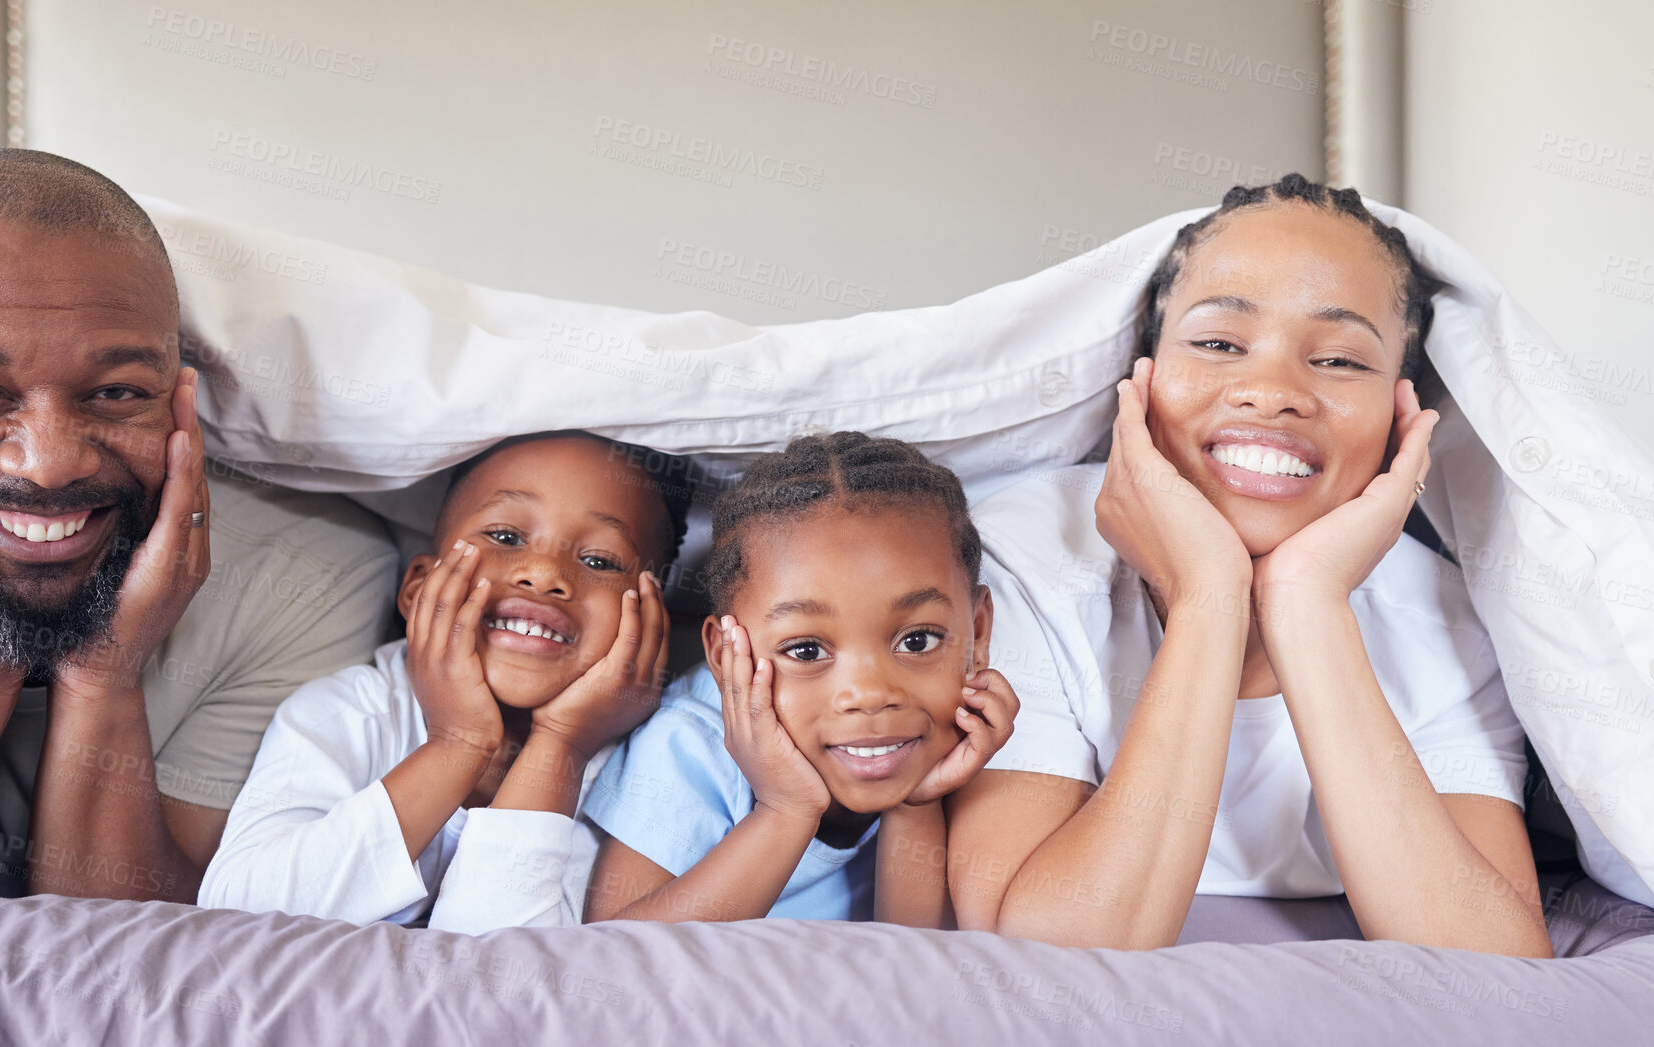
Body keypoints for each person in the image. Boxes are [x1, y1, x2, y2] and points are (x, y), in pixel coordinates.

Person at [0, 149, 394, 915]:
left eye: (117, 392)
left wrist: (105, 677)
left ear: (181, 392)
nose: (49, 464)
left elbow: (144, 952)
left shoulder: (309, 576)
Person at [947, 175, 1552, 955]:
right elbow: (1051, 945)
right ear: (1140, 384)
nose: (1270, 392)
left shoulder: (1451, 621)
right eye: (1218, 343)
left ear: (1403, 421)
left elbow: (1495, 968)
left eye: (1337, 359)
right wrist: (1206, 597)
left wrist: (1306, 604)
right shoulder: (1029, 556)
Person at [198, 433, 693, 931]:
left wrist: (561, 748)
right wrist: (459, 743)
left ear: (654, 630)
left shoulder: (657, 768)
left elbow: (505, 971)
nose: (544, 574)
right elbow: (236, 915)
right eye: (505, 536)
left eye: (599, 562)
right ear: (417, 590)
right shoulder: (345, 712)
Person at [583, 432, 1018, 926]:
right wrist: (785, 811)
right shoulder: (689, 747)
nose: (871, 694)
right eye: (807, 651)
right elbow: (614, 958)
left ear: (978, 633)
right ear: (727, 658)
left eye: (917, 641)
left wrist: (916, 806)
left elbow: (909, 970)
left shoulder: (961, 751)